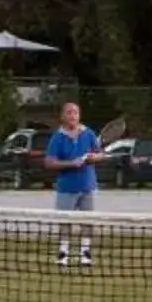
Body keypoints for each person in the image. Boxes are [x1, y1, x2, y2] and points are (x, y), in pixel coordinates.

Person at [45, 101, 102, 268]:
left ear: (79, 115)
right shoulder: (57, 137)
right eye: (69, 113)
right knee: (65, 222)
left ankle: (85, 255)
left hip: (88, 187)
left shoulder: (89, 133)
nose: (72, 116)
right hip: (66, 188)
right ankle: (63, 254)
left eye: (75, 113)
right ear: (63, 116)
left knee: (87, 222)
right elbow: (49, 163)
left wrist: (94, 158)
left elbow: (100, 155)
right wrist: (71, 164)